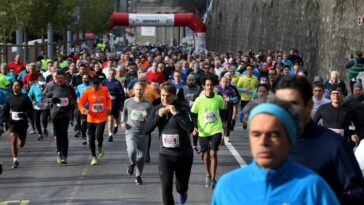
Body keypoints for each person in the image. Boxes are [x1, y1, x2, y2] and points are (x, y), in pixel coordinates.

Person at [212, 96, 339, 205]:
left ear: (289, 139)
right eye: (256, 134)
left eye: (273, 134)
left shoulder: (312, 187)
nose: (263, 142)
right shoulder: (228, 187)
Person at [275, 76, 364, 204]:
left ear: (309, 105)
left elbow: (358, 194)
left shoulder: (335, 145)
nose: (286, 110)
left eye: (293, 104)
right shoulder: (268, 144)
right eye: (281, 104)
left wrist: (319, 198)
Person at [144, 82, 194, 205]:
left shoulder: (183, 107)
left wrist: (175, 113)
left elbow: (190, 128)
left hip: (184, 155)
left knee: (180, 187)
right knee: (166, 187)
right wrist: (158, 116)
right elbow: (146, 130)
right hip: (165, 155)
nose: (165, 98)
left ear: (174, 95)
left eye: (168, 96)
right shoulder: (156, 109)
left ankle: (183, 192)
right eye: (162, 95)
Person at [191, 75, 226, 189]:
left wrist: (224, 122)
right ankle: (208, 174)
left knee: (213, 153)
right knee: (205, 155)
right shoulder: (199, 100)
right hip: (203, 130)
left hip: (216, 128)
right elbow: (193, 114)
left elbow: (224, 110)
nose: (209, 87)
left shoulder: (218, 98)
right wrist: (195, 126)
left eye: (211, 85)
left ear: (214, 86)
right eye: (207, 85)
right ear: (203, 86)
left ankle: (213, 178)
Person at [121, 83, 152, 185]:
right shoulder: (128, 102)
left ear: (144, 91)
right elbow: (124, 113)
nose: (139, 91)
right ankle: (132, 163)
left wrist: (147, 116)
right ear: (133, 91)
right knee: (132, 150)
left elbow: (152, 120)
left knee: (142, 157)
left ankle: (138, 176)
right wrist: (123, 122)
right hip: (130, 131)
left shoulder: (148, 104)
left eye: (140, 89)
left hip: (143, 133)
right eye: (137, 89)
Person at [78, 77, 111, 165]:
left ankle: (100, 145)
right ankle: (93, 157)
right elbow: (80, 103)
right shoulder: (88, 91)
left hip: (101, 117)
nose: (96, 87)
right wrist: (84, 110)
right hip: (91, 118)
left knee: (99, 136)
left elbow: (108, 99)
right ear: (93, 85)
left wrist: (109, 107)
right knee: (91, 138)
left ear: (100, 84)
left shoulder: (105, 89)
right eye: (94, 86)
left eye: (98, 86)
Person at [46, 70, 76, 164]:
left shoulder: (69, 87)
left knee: (64, 134)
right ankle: (59, 152)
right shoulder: (51, 87)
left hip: (66, 114)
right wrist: (51, 100)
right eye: (58, 78)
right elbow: (44, 98)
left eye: (62, 78)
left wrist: (72, 104)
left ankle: (65, 155)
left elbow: (74, 97)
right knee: (58, 135)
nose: (60, 80)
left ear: (65, 79)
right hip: (55, 114)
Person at [2, 80, 33, 168]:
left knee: (21, 144)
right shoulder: (9, 98)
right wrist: (5, 121)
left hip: (22, 122)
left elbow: (30, 110)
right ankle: (15, 160)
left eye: (17, 86)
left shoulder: (25, 98)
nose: (14, 87)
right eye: (14, 86)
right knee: (13, 139)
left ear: (21, 87)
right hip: (12, 122)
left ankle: (21, 139)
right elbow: (5, 110)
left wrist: (24, 114)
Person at [102, 68, 125, 142]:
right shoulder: (104, 82)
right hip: (108, 103)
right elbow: (101, 91)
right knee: (110, 119)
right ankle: (110, 134)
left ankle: (116, 125)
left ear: (115, 74)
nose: (111, 75)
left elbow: (122, 94)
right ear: (108, 74)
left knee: (117, 118)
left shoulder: (117, 83)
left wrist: (115, 94)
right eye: (110, 74)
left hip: (116, 102)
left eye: (113, 74)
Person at [28, 76, 48, 140]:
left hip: (45, 105)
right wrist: (32, 101)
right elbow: (29, 96)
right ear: (38, 82)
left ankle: (45, 128)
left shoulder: (47, 86)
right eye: (41, 83)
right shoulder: (33, 87)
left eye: (43, 83)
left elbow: (51, 95)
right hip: (37, 106)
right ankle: (40, 133)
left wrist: (48, 101)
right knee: (36, 120)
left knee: (44, 119)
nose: (42, 84)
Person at [75, 74, 92, 144]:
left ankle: (89, 134)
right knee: (84, 122)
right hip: (83, 108)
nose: (85, 79)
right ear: (82, 79)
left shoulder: (92, 86)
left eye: (87, 78)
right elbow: (76, 95)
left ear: (89, 79)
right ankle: (84, 136)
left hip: (91, 107)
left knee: (90, 123)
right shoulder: (79, 87)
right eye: (84, 78)